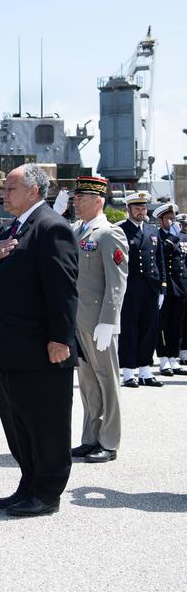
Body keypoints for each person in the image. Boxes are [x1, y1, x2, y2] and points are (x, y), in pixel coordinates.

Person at [0, 164, 78, 517]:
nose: (4, 194)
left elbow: (63, 290)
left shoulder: (51, 228)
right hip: (7, 348)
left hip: (38, 350)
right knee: (18, 422)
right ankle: (28, 482)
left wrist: (60, 339)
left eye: (10, 188)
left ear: (33, 191)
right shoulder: (12, 228)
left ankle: (47, 492)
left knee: (45, 422)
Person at [69, 176, 128, 464]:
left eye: (82, 198)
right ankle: (90, 437)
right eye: (75, 198)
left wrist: (109, 320)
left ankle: (109, 440)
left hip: (98, 321)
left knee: (107, 379)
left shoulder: (108, 234)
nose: (76, 202)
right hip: (78, 319)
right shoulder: (79, 231)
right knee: (88, 381)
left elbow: (117, 283)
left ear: (98, 200)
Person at [117, 192, 166, 388]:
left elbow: (159, 259)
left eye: (143, 208)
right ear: (128, 209)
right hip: (129, 288)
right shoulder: (120, 230)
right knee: (129, 328)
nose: (141, 211)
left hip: (150, 287)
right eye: (136, 208)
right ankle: (128, 371)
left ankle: (145, 369)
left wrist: (162, 287)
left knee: (149, 328)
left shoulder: (152, 231)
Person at [154, 203, 186, 378]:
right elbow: (161, 254)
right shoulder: (157, 236)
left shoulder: (179, 237)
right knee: (163, 325)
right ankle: (164, 359)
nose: (172, 222)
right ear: (160, 220)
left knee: (177, 324)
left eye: (173, 218)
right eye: (168, 218)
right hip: (165, 286)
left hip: (179, 287)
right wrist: (172, 238)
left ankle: (174, 358)